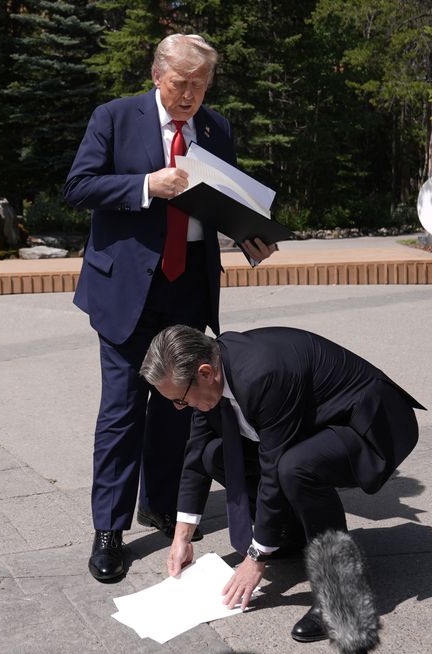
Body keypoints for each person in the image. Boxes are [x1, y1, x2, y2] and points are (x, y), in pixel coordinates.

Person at [64, 34, 277, 583]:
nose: (190, 96)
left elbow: (224, 199)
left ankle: (159, 504)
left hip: (188, 288)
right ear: (158, 75)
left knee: (175, 405)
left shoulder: (216, 127)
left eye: (200, 86)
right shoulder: (113, 118)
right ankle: (109, 529)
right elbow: (78, 186)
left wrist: (250, 234)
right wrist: (145, 185)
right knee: (122, 411)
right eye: (182, 84)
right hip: (126, 292)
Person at [140, 324, 424, 643]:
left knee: (295, 467)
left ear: (205, 372)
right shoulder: (208, 374)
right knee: (212, 455)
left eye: (180, 399)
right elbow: (194, 453)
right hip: (310, 425)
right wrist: (182, 538)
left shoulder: (263, 374)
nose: (181, 407)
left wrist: (256, 557)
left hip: (367, 425)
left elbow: (274, 467)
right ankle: (287, 536)